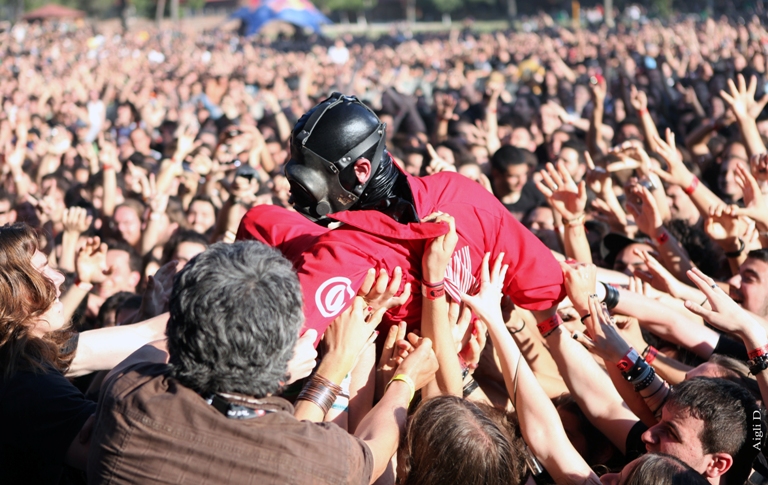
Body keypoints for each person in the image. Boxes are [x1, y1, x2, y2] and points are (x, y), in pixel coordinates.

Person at [88, 241, 439, 484]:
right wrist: (403, 380)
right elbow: (373, 451)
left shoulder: (130, 397)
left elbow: (152, 347)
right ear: (286, 346)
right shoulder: (325, 460)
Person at [238, 93, 565, 339]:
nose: (301, 192)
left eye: (312, 178)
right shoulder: (461, 192)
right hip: (485, 359)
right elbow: (547, 287)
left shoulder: (343, 253)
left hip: (406, 399)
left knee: (260, 219)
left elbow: (287, 350)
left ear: (361, 170)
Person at [0, 223, 95, 484]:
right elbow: (116, 450)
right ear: (12, 292)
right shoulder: (28, 382)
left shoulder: (21, 355)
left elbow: (134, 340)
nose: (60, 277)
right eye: (43, 270)